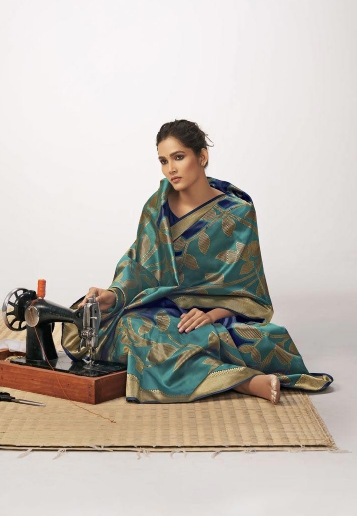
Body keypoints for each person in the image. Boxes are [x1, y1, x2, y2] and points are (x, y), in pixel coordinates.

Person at [62, 119, 333, 404]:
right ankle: (244, 382)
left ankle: (219, 373)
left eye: (179, 157)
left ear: (202, 157)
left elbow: (249, 292)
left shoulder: (237, 213)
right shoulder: (156, 207)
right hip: (160, 310)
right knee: (123, 324)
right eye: (164, 161)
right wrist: (114, 294)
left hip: (217, 315)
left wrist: (211, 315)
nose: (171, 169)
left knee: (243, 338)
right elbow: (139, 265)